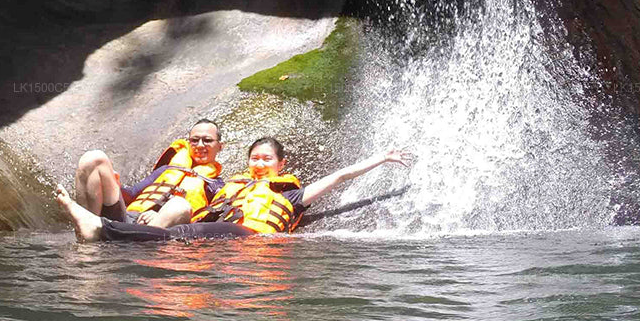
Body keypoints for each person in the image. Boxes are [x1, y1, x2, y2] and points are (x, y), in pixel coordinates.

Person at [56, 137, 412, 242]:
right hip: (222, 235)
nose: (259, 164)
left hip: (251, 236)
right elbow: (194, 203)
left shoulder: (290, 195)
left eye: (267, 159)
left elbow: (339, 177)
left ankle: (100, 229)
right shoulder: (230, 187)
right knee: (180, 233)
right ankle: (105, 230)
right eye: (255, 158)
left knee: (181, 234)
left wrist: (381, 158)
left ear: (281, 164)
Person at [73, 119, 226, 229]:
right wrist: (116, 185)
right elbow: (132, 194)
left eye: (207, 140)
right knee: (94, 158)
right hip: (128, 218)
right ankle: (88, 227)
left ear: (220, 146)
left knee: (180, 205)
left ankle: (141, 242)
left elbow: (205, 222)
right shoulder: (167, 170)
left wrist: (160, 216)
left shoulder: (217, 186)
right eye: (194, 140)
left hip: (157, 232)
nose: (200, 145)